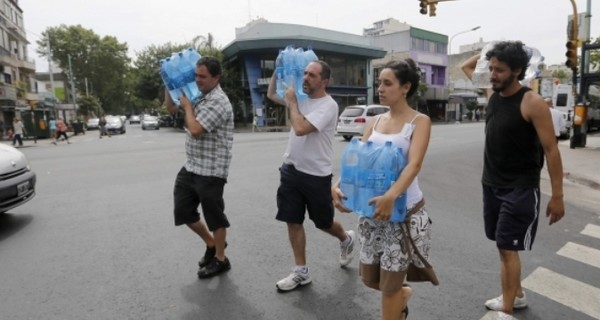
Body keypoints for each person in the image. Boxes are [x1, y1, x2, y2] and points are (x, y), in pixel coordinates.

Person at [461, 41, 565, 320]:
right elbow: (465, 66)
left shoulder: (532, 102)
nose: (492, 74)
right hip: (491, 184)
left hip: (520, 188)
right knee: (502, 245)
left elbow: (551, 150)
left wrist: (557, 196)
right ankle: (516, 295)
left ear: (517, 71)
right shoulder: (492, 94)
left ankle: (506, 310)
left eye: (499, 70)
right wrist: (490, 48)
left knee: (508, 248)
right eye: (491, 68)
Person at [332, 58, 432, 320]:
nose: (381, 88)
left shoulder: (419, 121)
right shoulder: (373, 122)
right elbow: (358, 162)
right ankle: (403, 295)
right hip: (372, 213)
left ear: (405, 87)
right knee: (372, 280)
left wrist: (391, 195)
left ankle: (397, 297)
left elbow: (414, 165)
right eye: (379, 83)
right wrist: (338, 185)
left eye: (388, 83)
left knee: (389, 288)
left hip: (402, 214)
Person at [266, 60, 355, 292]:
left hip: (316, 176)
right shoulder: (300, 99)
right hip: (291, 170)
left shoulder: (329, 106)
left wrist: (293, 102)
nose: (306, 78)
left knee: (323, 223)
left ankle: (346, 238)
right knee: (292, 220)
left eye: (312, 75)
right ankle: (301, 272)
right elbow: (271, 93)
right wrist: (279, 70)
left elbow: (301, 128)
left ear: (324, 81)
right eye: (304, 73)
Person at [164, 56, 234, 279]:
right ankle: (212, 244)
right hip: (192, 165)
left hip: (212, 170)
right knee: (183, 210)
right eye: (195, 75)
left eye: (202, 77)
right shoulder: (199, 96)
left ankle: (221, 260)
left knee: (215, 216)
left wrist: (187, 107)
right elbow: (171, 108)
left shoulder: (218, 101)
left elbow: (195, 129)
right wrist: (170, 85)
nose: (197, 80)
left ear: (216, 77)